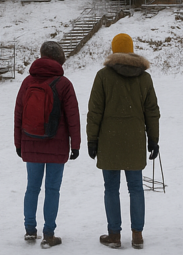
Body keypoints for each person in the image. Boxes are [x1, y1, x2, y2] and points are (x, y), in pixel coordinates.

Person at [87, 33, 160, 250]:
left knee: (111, 188)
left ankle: (114, 234)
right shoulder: (144, 78)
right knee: (136, 187)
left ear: (113, 51)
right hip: (135, 139)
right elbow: (152, 111)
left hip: (108, 140)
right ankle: (137, 234)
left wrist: (92, 139)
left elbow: (95, 111)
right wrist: (153, 139)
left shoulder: (103, 76)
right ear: (131, 50)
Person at [14, 41, 81, 248]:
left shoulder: (27, 82)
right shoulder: (64, 84)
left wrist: (18, 143)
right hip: (57, 144)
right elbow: (73, 117)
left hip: (30, 141)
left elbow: (19, 113)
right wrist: (75, 144)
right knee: (52, 189)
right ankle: (49, 233)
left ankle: (29, 230)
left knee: (32, 188)